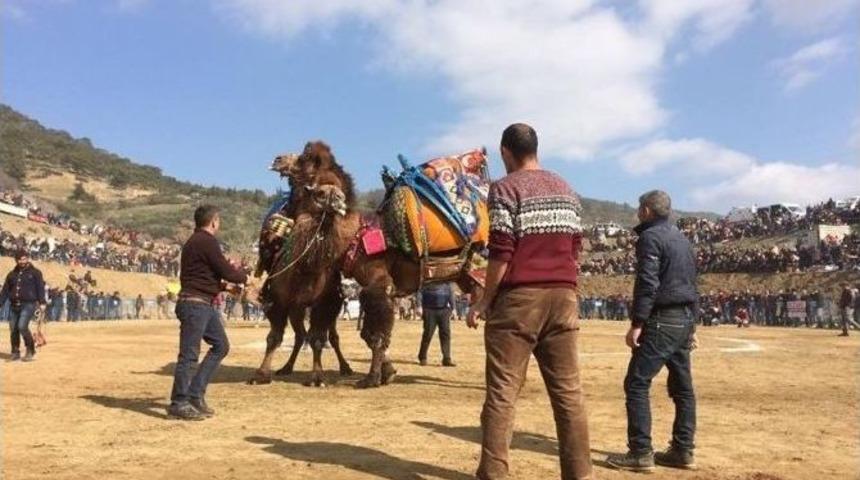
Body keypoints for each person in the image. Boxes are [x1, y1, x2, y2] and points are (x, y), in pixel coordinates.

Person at [467, 123, 592, 480]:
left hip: (519, 301)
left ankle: (494, 473)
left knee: (503, 393)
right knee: (569, 394)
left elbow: (502, 251)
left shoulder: (505, 188)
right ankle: (581, 474)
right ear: (536, 149)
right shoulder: (566, 189)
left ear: (506, 152)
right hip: (564, 297)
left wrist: (484, 301)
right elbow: (575, 248)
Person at [608, 190, 699, 473]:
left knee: (636, 383)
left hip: (662, 319)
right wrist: (693, 324)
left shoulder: (650, 237)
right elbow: (692, 283)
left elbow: (648, 282)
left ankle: (640, 453)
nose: (638, 212)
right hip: (683, 318)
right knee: (683, 389)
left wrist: (637, 323)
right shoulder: (681, 238)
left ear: (647, 210)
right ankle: (683, 450)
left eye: (639, 208)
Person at [168, 205, 248, 420]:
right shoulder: (206, 241)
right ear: (214, 222)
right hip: (195, 305)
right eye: (218, 221)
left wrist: (224, 287)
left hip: (202, 303)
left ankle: (194, 394)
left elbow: (203, 275)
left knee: (221, 346)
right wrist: (244, 277)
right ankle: (179, 402)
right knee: (189, 355)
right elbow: (225, 270)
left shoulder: (196, 242)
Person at [0, 250, 47, 362]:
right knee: (13, 329)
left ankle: (30, 350)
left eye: (25, 259)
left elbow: (40, 288)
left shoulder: (36, 272)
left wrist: (42, 302)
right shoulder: (11, 274)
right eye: (20, 259)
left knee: (22, 326)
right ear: (16, 260)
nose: (22, 261)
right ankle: (15, 352)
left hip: (29, 304)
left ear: (27, 258)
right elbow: (5, 291)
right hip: (14, 305)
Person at [417, 282, 456, 367]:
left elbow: (451, 294)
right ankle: (422, 357)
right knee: (428, 334)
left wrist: (453, 308)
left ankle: (447, 358)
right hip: (429, 310)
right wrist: (419, 306)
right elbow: (419, 293)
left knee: (445, 334)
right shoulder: (426, 282)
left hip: (444, 310)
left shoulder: (447, 283)